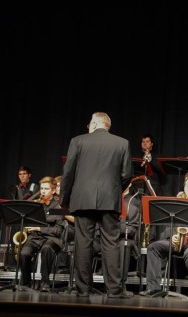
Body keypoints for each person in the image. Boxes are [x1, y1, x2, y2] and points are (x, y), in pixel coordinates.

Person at [60, 112, 133, 298]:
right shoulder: (122, 143)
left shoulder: (78, 141)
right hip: (110, 200)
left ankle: (82, 289)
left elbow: (67, 173)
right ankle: (114, 291)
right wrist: (115, 190)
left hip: (82, 198)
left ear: (94, 123)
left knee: (83, 242)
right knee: (111, 243)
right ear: (107, 125)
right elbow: (127, 175)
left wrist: (64, 199)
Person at [139, 171, 188, 299]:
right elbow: (168, 224)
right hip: (175, 240)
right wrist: (172, 236)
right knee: (153, 247)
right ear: (184, 188)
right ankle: (153, 288)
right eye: (187, 185)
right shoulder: (177, 202)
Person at [19, 176, 66, 292]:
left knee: (46, 249)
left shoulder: (58, 207)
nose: (43, 191)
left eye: (46, 189)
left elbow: (58, 231)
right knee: (24, 253)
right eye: (42, 189)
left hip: (52, 239)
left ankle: (45, 283)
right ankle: (26, 283)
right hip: (35, 238)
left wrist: (40, 228)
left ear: (53, 191)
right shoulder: (37, 205)